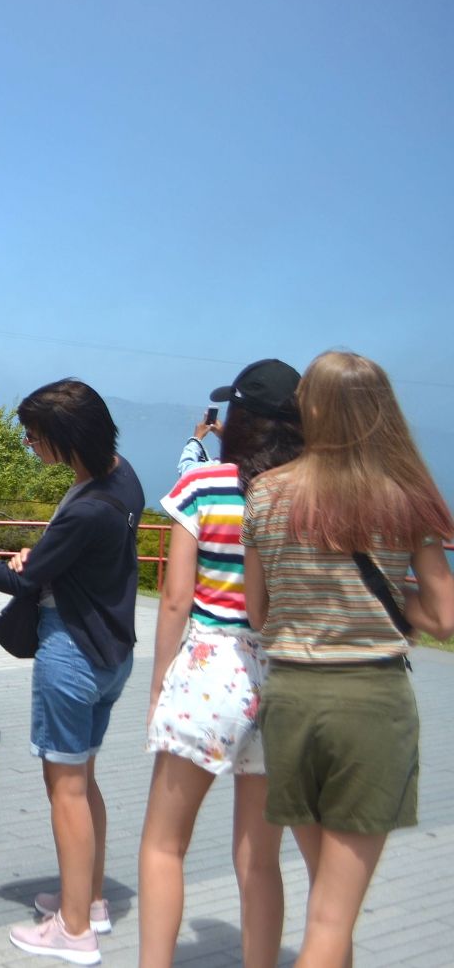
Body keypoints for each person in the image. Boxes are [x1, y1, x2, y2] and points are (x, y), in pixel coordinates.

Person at [243, 351, 454, 967]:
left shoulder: (267, 493)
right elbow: (444, 619)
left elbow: (260, 612)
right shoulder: (405, 495)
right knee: (333, 920)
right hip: (371, 705)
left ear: (308, 408)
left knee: (326, 906)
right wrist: (390, 595)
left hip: (291, 703)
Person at [0, 379, 141, 965]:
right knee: (84, 781)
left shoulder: (85, 509)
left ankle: (74, 930)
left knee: (65, 791)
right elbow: (79, 559)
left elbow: (21, 583)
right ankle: (91, 901)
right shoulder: (121, 477)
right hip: (112, 651)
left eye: (34, 437)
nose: (30, 446)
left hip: (73, 654)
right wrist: (49, 557)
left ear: (62, 437)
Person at [137, 359, 304, 968]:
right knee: (259, 859)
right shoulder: (303, 496)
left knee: (163, 846)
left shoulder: (203, 486)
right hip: (282, 680)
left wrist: (158, 684)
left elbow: (177, 598)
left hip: (211, 674)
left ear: (237, 420)